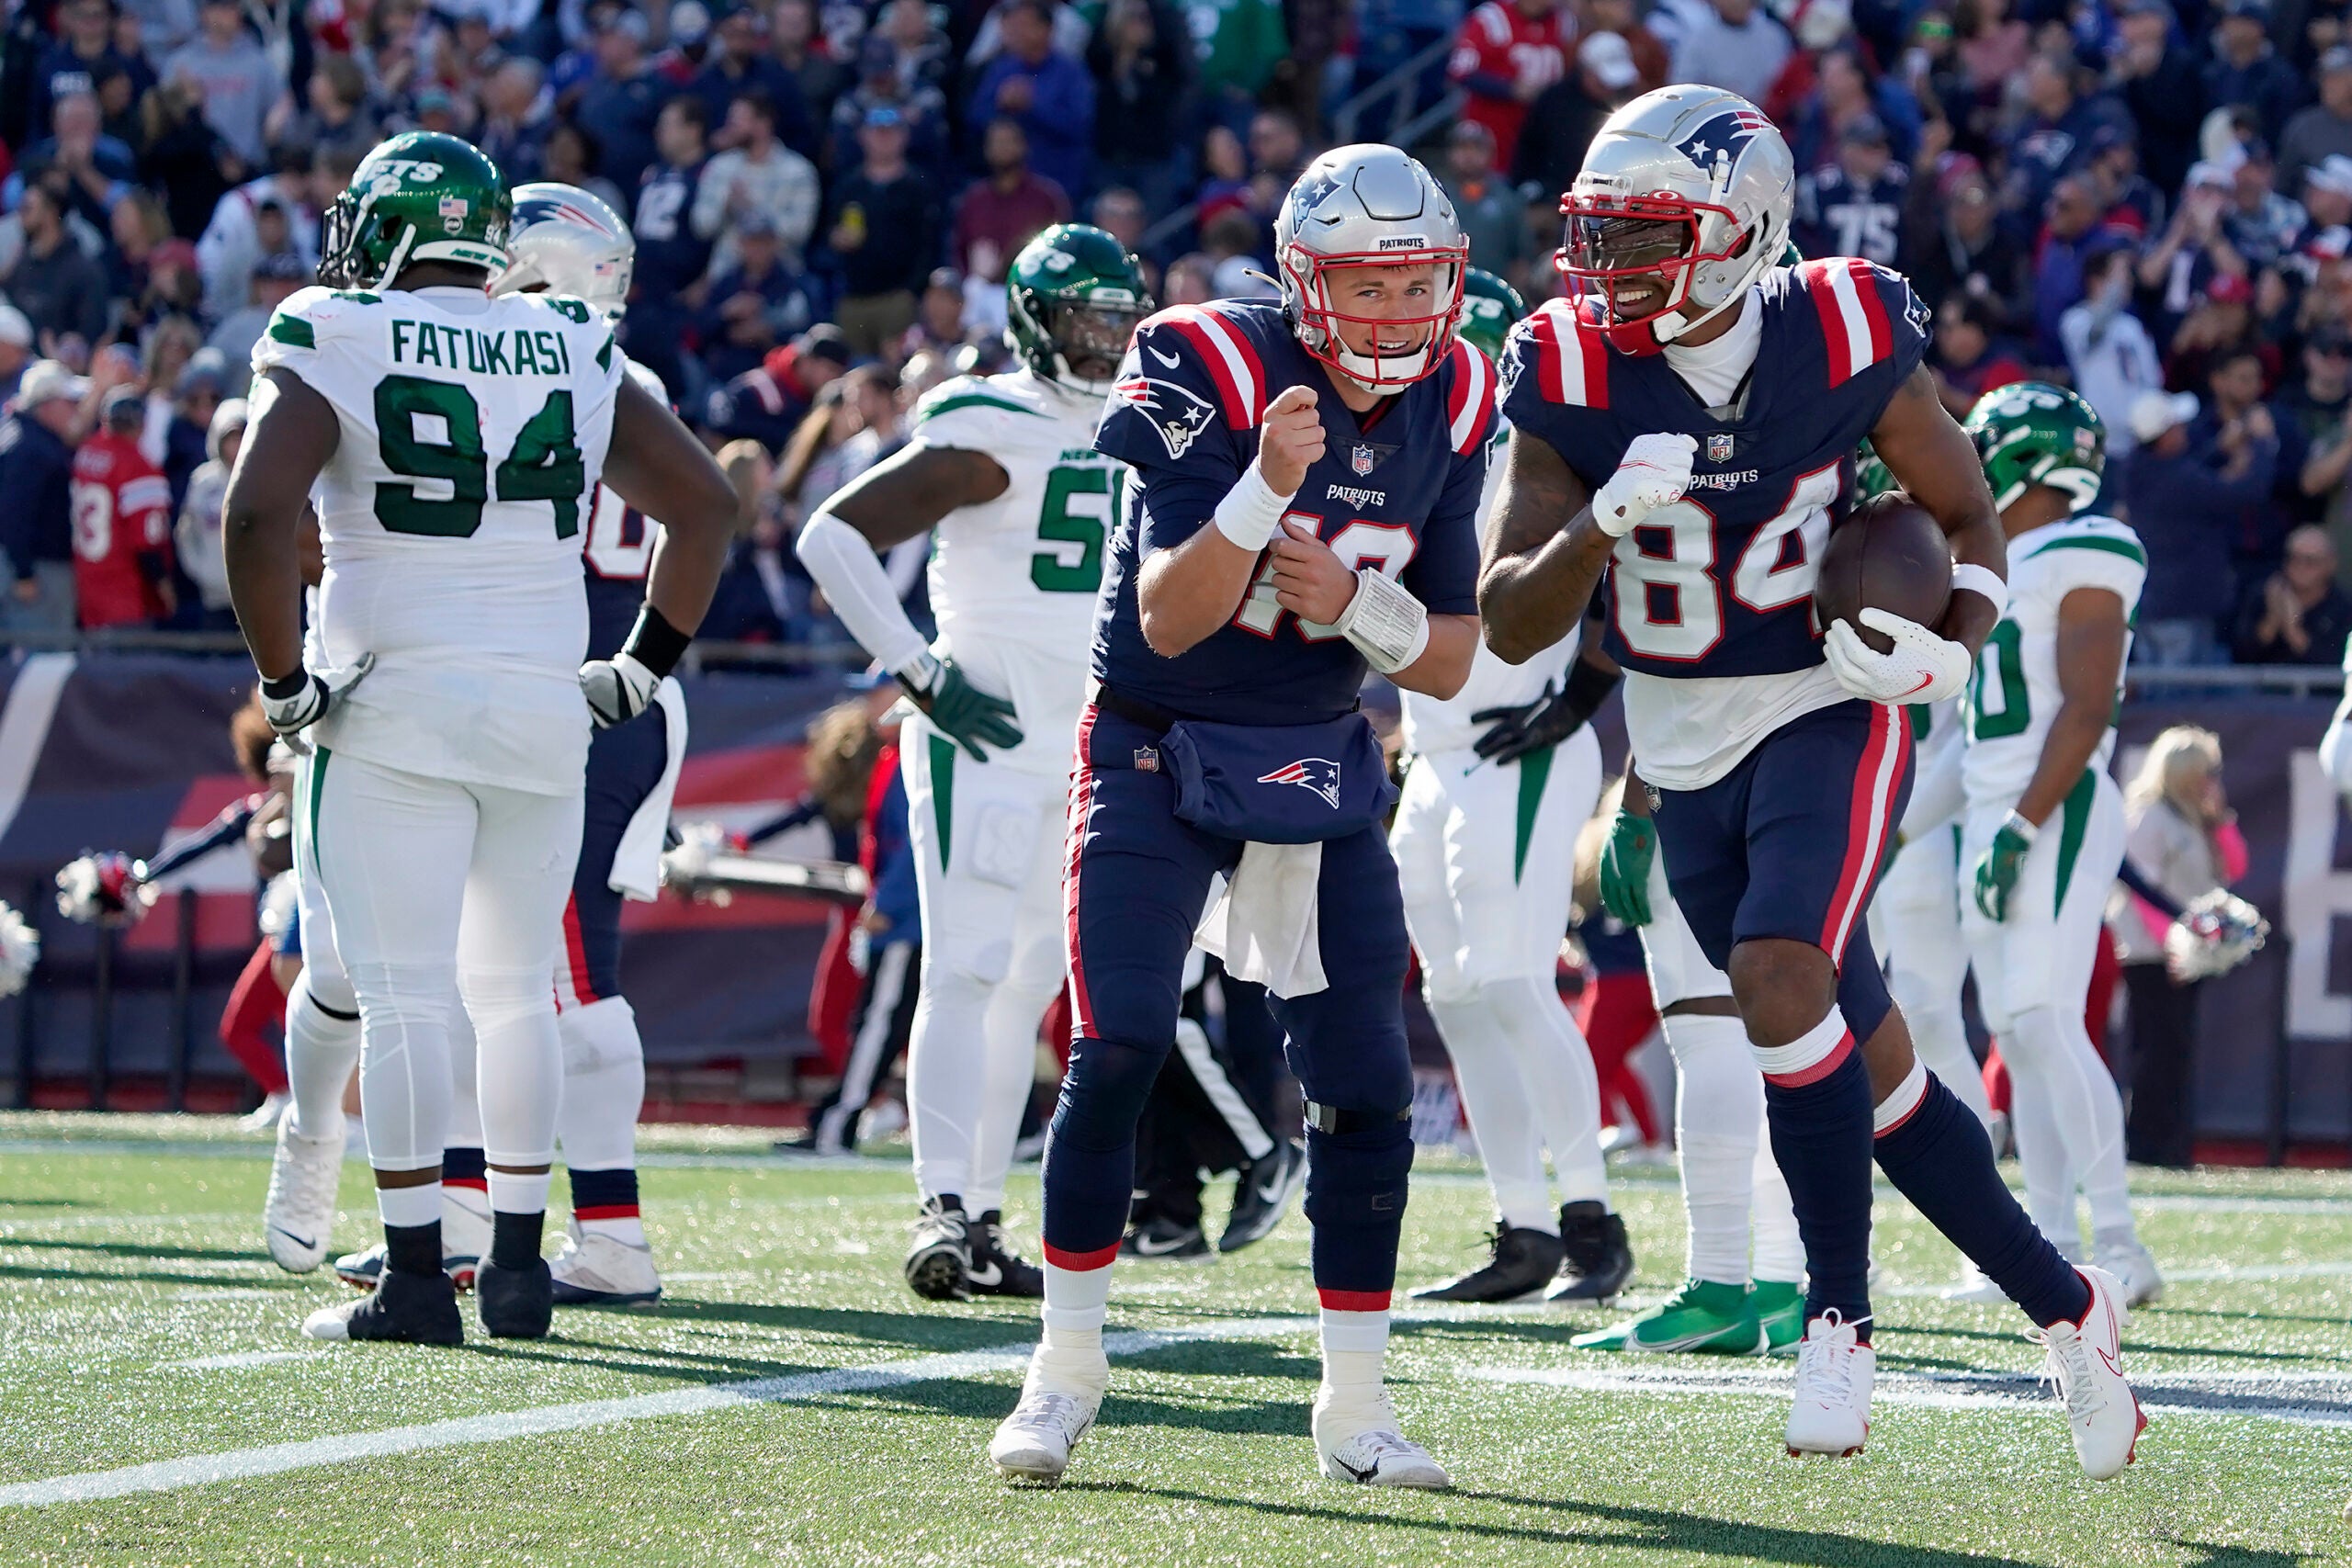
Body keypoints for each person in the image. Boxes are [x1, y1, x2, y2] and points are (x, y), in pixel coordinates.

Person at [1476, 87, 2140, 1475]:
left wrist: (1950, 648)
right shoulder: (1568, 368)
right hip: (1675, 736)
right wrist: (1600, 520)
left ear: (1741, 233)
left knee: (1782, 973)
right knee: (1867, 1067)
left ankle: (1837, 1316)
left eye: (1648, 236)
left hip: (1824, 702)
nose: (1612, 269)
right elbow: (1514, 618)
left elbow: (1964, 516)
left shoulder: (1839, 330)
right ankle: (2071, 1311)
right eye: (1601, 236)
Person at [989, 145, 1489, 1490]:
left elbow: (1448, 653)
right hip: (1157, 738)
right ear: (1306, 283)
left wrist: (1347, 600)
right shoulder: (1206, 354)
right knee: (1124, 1041)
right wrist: (1263, 486)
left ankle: (1356, 1406)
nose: (1394, 315)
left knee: (1370, 1083)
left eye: (1415, 284)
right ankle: (1065, 1371)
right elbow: (1166, 613)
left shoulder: (1459, 381)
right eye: (1366, 287)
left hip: (1316, 751)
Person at [220, 131, 737, 1348]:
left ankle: (414, 1279)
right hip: (543, 705)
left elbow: (255, 511)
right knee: (515, 994)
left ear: (390, 230)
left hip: (394, 696)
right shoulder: (572, 339)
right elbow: (707, 507)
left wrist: (284, 680)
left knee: (405, 997)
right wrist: (643, 665)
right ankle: (515, 1265)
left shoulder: (332, 325)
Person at [793, 224, 1151, 1302]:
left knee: (1033, 983)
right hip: (980, 734)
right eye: (1086, 318)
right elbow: (830, 536)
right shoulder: (991, 416)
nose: (1104, 340)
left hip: (1084, 741)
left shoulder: (1148, 415)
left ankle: (986, 1215)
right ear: (1037, 321)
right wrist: (919, 672)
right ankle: (941, 1202)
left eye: (1117, 319)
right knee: (965, 965)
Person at [1393, 269, 1632, 1306]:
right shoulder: (1412, 453)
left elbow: (1634, 573)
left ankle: (1592, 1224)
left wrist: (1577, 702)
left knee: (1513, 979)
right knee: (1454, 994)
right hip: (1436, 753)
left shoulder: (1538, 452)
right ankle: (1523, 1228)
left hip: (1519, 750)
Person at [481, 182, 696, 1309]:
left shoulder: (548, 370)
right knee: (520, 973)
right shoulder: (629, 375)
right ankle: (481, 1215)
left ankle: (611, 1237)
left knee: (562, 976)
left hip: (575, 700)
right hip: (619, 690)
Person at [1952, 382, 2161, 1306]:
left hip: (2056, 802)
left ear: (2020, 458)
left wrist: (2021, 822)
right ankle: (2038, 1245)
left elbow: (2088, 707)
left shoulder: (2087, 544)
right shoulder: (1989, 555)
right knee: (2014, 1028)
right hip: (1991, 802)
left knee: (2042, 1020)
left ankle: (2117, 1239)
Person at [1580, 770, 1807, 1353]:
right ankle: (1782, 1286)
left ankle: (1717, 1287)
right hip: (1794, 791)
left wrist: (1631, 814)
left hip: (1697, 785)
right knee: (1765, 1042)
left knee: (1710, 1033)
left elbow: (1660, 688)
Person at [2113, 728, 2243, 1167]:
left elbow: (2235, 867)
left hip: (2188, 955)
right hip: (2153, 954)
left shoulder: (2195, 818)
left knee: (2178, 1052)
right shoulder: (2150, 816)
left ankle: (2173, 1147)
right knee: (2153, 1053)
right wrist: (2174, 945)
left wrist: (2219, 820)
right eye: (2206, 772)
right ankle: (2147, 1149)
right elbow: (2142, 891)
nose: (2212, 779)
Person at [2122, 387, 2275, 667]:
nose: (2185, 432)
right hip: (2183, 609)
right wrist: (2265, 444)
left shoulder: (2136, 469)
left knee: (2160, 697)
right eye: (2177, 427)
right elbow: (2248, 493)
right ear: (2164, 436)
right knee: (2178, 704)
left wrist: (2218, 448)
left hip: (2155, 603)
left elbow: (2186, 473)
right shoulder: (2179, 480)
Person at [827, 105, 946, 360]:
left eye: (891, 132)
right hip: (854, 298)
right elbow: (827, 237)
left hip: (898, 298)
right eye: (877, 132)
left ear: (904, 136)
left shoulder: (919, 186)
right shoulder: (848, 187)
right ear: (862, 136)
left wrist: (913, 291)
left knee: (898, 373)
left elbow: (930, 244)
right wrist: (836, 240)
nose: (884, 138)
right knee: (854, 378)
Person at [72, 383, 175, 629]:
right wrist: (164, 586)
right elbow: (145, 542)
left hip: (87, 582)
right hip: (125, 592)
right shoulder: (138, 466)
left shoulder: (87, 450)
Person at [0, 359, 89, 633]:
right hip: (39, 570)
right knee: (40, 663)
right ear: (47, 404)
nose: (76, 410)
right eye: (69, 403)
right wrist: (23, 572)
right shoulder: (31, 448)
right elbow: (14, 513)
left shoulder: (31, 437)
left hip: (38, 566)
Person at [1448, 0, 1574, 173]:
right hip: (1493, 128)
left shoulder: (1564, 22)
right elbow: (1461, 71)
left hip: (1540, 127)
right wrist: (1510, 89)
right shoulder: (1491, 18)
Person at [175, 393, 245, 628]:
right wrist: (202, 572)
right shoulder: (203, 481)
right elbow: (186, 533)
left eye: (241, 437)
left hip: (258, 593)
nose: (235, 446)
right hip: (213, 595)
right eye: (230, 437)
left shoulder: (267, 481)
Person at [2233, 524, 2352, 662]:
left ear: (2330, 564)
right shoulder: (2263, 594)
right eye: (2293, 558)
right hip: (2263, 682)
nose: (2300, 567)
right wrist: (2273, 618)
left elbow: (2334, 665)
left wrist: (2292, 628)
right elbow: (2240, 656)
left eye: (2310, 561)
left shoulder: (2344, 605)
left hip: (2317, 683)